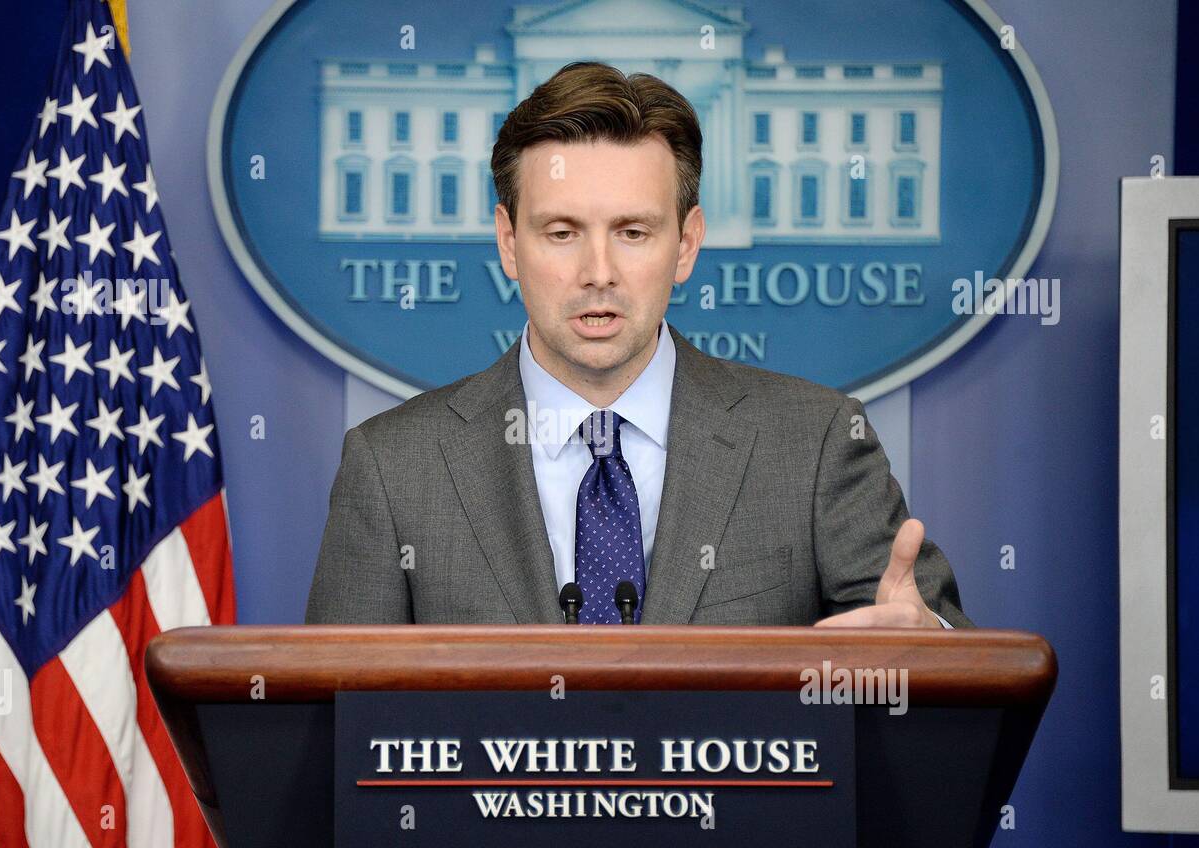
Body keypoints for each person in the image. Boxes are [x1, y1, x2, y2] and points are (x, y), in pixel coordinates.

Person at [305, 61, 971, 629]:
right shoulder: (392, 469)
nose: (599, 271)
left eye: (632, 232)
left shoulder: (818, 443)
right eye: (562, 232)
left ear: (686, 244)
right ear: (509, 242)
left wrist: (924, 645)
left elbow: (953, 674)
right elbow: (332, 730)